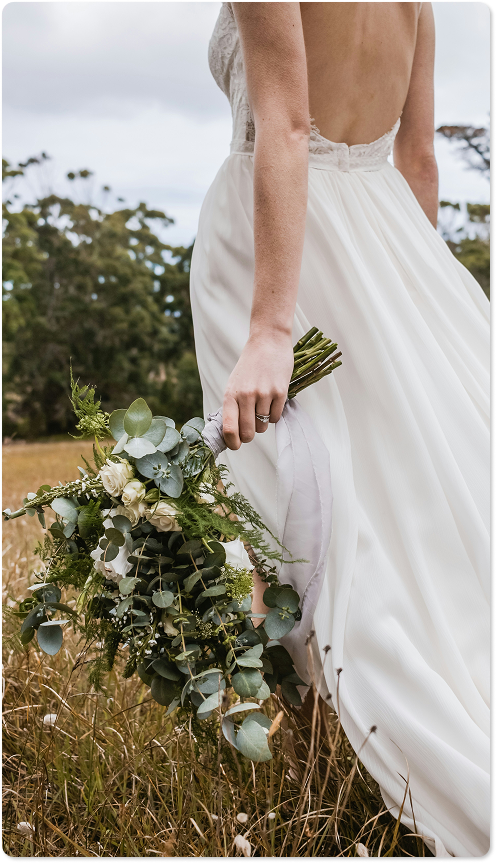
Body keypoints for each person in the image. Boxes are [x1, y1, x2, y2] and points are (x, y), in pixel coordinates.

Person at [189, 3, 489, 857]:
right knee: (402, 497)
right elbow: (418, 156)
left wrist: (270, 330)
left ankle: (350, 751)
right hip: (393, 245)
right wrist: (411, 304)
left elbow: (285, 123)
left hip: (275, 250)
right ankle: (352, 747)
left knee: (290, 510)